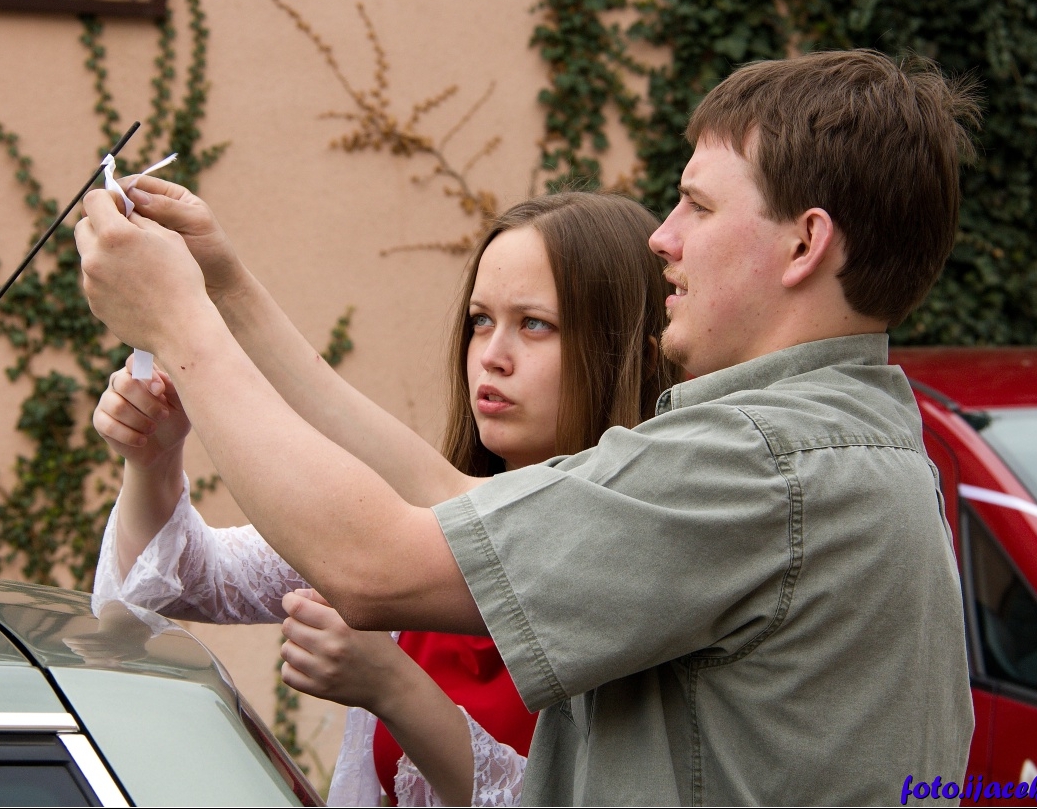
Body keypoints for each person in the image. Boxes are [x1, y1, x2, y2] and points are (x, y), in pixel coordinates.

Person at [76, 49, 980, 805]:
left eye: (698, 206)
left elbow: (373, 564)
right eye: (481, 320)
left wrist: (180, 325)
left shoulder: (759, 462)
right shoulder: (853, 444)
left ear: (805, 243)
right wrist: (227, 290)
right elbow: (451, 498)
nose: (663, 237)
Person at [90, 193, 674, 806]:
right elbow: (186, 582)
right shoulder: (413, 523)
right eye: (480, 320)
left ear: (630, 354)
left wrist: (395, 688)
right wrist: (152, 463)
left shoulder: (643, 554)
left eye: (535, 324)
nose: (492, 357)